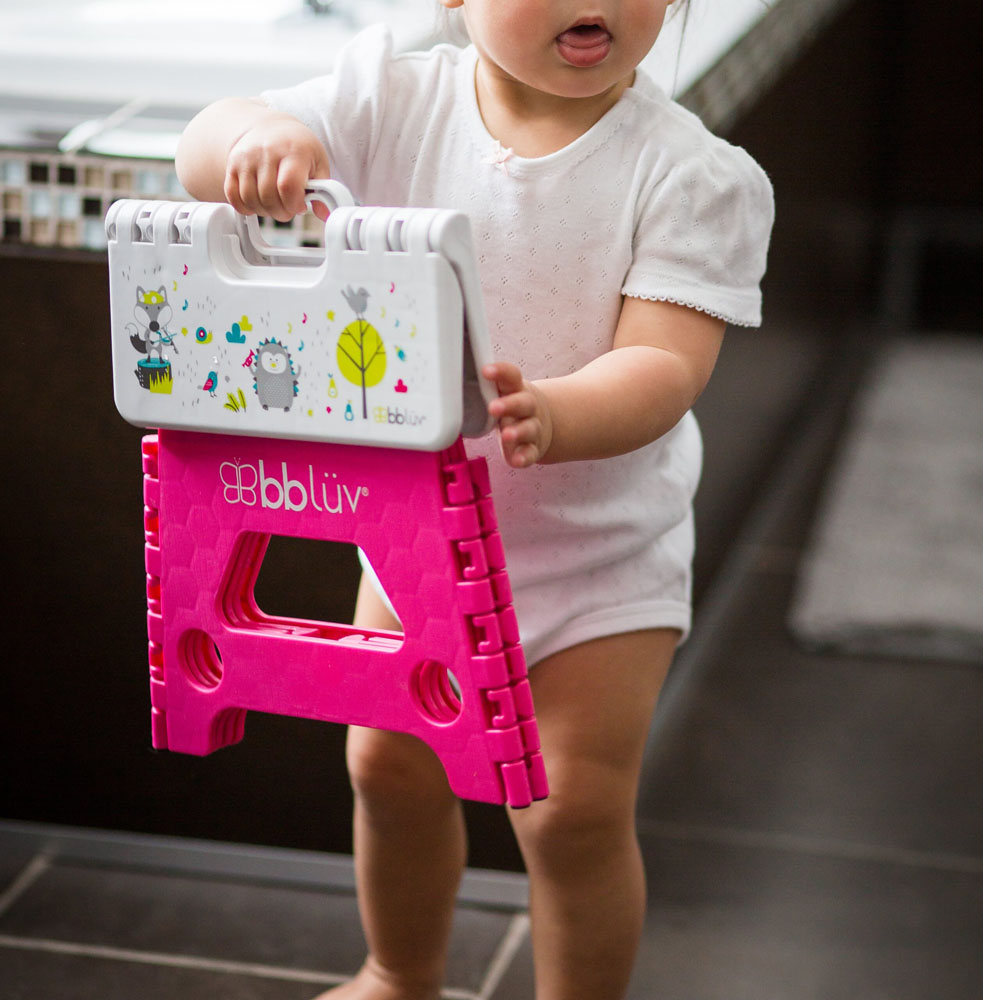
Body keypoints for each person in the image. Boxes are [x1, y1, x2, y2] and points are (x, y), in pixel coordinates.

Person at [175, 1, 773, 997]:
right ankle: (397, 973)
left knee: (570, 812)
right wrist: (253, 141)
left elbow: (666, 362)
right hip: (418, 547)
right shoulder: (387, 99)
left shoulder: (690, 174)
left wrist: (565, 411)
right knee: (386, 770)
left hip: (599, 561)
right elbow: (202, 145)